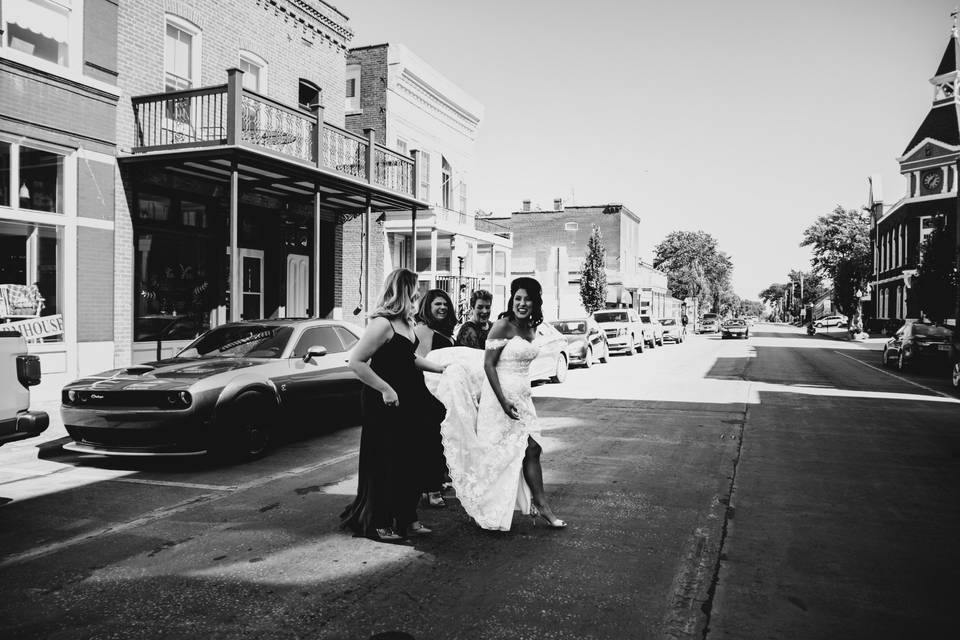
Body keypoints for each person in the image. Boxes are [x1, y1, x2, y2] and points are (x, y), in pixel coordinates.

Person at [435, 276, 567, 531]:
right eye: (518, 298)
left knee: (532, 450)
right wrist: (503, 401)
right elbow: (488, 364)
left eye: (527, 299)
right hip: (500, 401)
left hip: (523, 400)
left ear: (535, 302)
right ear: (512, 300)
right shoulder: (502, 326)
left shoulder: (531, 327)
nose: (522, 303)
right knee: (500, 456)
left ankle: (540, 504)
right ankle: (527, 505)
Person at [340, 268, 448, 542]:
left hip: (409, 398)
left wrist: (438, 368)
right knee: (386, 462)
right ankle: (379, 523)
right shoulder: (382, 323)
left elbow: (407, 358)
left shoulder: (406, 323)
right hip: (385, 402)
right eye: (415, 289)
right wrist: (385, 389)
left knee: (410, 461)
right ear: (402, 290)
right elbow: (356, 362)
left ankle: (408, 519)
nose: (418, 294)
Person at [412, 289, 457, 508]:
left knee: (440, 439)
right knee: (430, 441)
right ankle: (431, 490)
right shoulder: (423, 330)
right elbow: (419, 362)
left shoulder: (444, 330)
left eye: (445, 304)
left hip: (443, 393)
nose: (442, 308)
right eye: (437, 304)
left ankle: (435, 481)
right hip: (428, 392)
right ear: (427, 307)